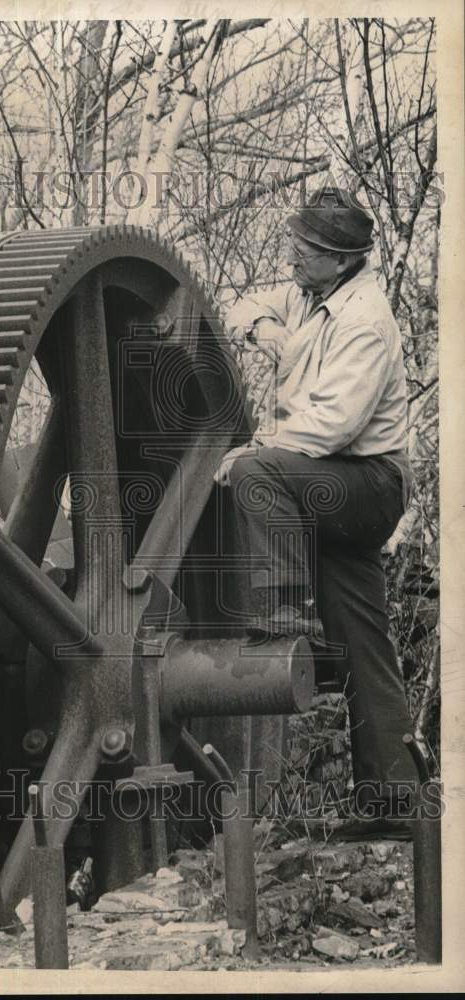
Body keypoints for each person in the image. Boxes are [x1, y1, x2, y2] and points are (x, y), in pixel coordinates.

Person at [218, 187, 419, 837]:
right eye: (293, 245)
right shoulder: (306, 294)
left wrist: (256, 452)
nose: (292, 257)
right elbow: (238, 304)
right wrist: (265, 326)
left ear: (339, 260)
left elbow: (329, 429)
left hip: (365, 484)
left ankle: (278, 620)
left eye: (304, 250)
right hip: (330, 482)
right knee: (364, 640)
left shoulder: (365, 320)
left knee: (253, 473)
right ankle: (393, 801)